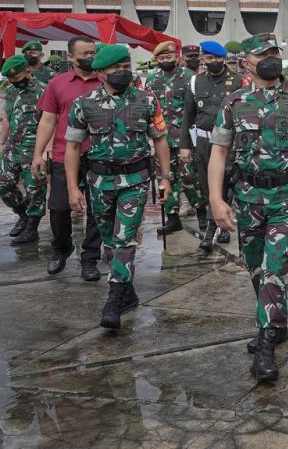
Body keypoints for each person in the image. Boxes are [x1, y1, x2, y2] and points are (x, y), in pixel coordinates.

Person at [209, 32, 288, 382]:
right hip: (247, 197)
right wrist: (216, 199)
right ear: (246, 63)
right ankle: (277, 324)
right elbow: (219, 153)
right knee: (255, 268)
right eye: (263, 54)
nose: (271, 59)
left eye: (275, 52)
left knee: (274, 268)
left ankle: (266, 346)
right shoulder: (234, 102)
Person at [64, 44, 172, 330]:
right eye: (116, 68)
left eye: (126, 67)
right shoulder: (83, 104)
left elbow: (160, 139)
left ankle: (113, 299)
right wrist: (73, 188)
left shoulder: (147, 100)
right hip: (99, 182)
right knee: (109, 241)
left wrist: (166, 177)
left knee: (124, 238)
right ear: (100, 73)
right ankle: (128, 293)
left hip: (135, 180)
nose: (123, 72)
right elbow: (72, 147)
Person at [31, 36, 103, 279]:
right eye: (85, 54)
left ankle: (90, 258)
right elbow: (48, 120)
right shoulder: (57, 83)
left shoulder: (104, 81)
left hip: (98, 155)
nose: (90, 57)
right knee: (59, 208)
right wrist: (38, 154)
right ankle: (61, 247)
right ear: (71, 57)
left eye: (93, 52)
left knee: (97, 209)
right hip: (64, 154)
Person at [180, 40, 241, 251]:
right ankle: (218, 224)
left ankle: (214, 227)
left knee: (226, 184)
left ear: (223, 58)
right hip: (204, 142)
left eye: (217, 57)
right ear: (203, 59)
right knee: (208, 186)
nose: (213, 61)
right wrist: (184, 146)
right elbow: (188, 115)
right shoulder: (195, 82)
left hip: (229, 143)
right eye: (209, 58)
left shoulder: (238, 81)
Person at [146, 41, 206, 236]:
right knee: (164, 178)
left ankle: (201, 212)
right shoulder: (151, 80)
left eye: (169, 57)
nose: (166, 60)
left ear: (177, 58)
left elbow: (197, 109)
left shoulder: (190, 78)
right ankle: (172, 218)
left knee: (190, 177)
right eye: (162, 58)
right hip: (161, 139)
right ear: (157, 60)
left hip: (184, 138)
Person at [1, 57, 47, 243]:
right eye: (10, 78)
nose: (12, 81)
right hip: (12, 148)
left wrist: (43, 153)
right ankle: (23, 214)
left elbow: (49, 123)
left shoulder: (43, 91)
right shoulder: (10, 91)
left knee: (35, 190)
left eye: (16, 77)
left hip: (33, 150)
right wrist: (2, 143)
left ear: (28, 71)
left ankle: (32, 227)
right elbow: (6, 119)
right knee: (3, 186)